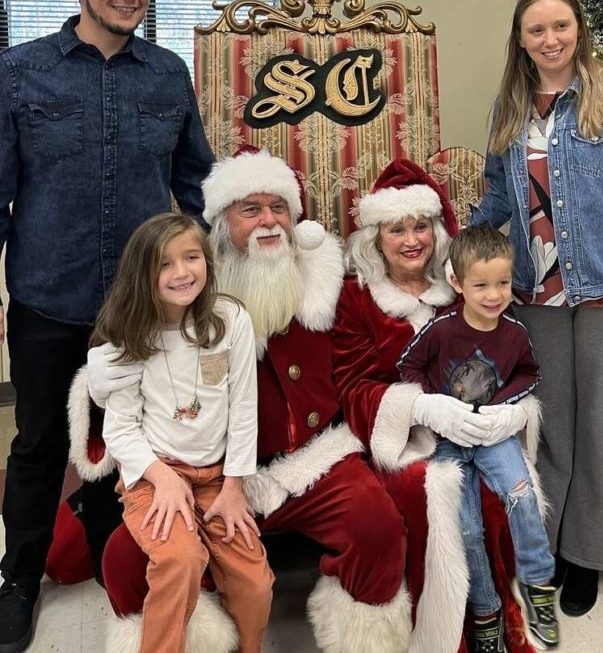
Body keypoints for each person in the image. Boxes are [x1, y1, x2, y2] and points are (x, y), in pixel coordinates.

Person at [73, 149, 411, 653]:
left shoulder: (326, 286)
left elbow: (376, 353)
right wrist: (102, 373)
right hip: (206, 470)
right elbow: (127, 369)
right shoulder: (191, 297)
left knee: (377, 525)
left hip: (312, 463)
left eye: (278, 207)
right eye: (250, 209)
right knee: (123, 559)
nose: (268, 220)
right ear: (221, 223)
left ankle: (366, 640)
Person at [0, 0, 214, 653]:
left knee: (135, 437)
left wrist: (205, 275)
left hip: (142, 306)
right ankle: (20, 577)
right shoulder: (21, 72)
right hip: (46, 297)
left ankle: (108, 555)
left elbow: (194, 182)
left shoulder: (167, 74)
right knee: (39, 442)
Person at [469, 0, 603, 616]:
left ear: (577, 29)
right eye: (536, 30)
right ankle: (549, 546)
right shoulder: (510, 106)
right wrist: (459, 237)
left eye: (560, 26)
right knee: (552, 429)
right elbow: (500, 196)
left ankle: (589, 554)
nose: (550, 39)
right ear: (521, 40)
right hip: (534, 296)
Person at [333, 159, 541, 653]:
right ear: (376, 237)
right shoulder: (358, 299)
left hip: (470, 429)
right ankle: (449, 634)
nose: (412, 239)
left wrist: (514, 410)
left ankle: (497, 612)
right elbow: (351, 386)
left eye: (421, 226)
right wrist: (420, 409)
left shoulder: (461, 289)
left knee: (499, 488)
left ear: (436, 230)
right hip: (399, 440)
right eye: (397, 228)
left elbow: (507, 358)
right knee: (430, 489)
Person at [93, 212, 273, 653]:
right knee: (180, 559)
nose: (181, 272)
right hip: (155, 476)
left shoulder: (230, 319)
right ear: (143, 274)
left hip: (217, 478)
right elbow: (119, 430)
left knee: (255, 581)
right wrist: (163, 478)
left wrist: (234, 485)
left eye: (191, 257)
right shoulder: (129, 335)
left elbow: (244, 410)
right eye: (165, 264)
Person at [398, 225, 558, 653]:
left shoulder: (514, 333)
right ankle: (485, 610)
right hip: (449, 440)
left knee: (522, 496)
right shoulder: (442, 330)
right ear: (457, 283)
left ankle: (538, 591)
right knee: (467, 529)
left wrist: (504, 409)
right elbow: (408, 367)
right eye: (481, 285)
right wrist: (436, 408)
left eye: (503, 283)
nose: (494, 295)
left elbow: (529, 372)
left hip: (492, 435)